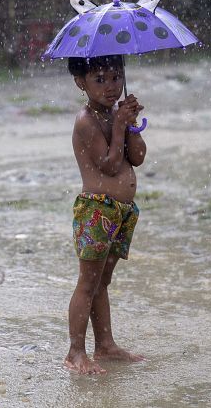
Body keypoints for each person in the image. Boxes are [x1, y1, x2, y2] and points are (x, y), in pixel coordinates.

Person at [64, 54, 147, 375]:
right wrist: (120, 126)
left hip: (121, 212)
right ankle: (75, 352)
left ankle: (105, 345)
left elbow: (137, 157)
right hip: (97, 210)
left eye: (115, 78)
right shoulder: (86, 121)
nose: (110, 86)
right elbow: (110, 165)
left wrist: (131, 124)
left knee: (103, 281)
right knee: (88, 283)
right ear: (80, 83)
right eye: (99, 80)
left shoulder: (115, 114)